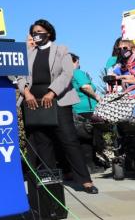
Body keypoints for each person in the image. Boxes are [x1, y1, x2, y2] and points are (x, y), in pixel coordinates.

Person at [16, 19, 98, 195]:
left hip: (57, 100)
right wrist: (27, 93)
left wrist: (51, 92)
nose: (36, 35)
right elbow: (20, 76)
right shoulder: (28, 54)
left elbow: (67, 73)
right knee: (42, 142)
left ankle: (85, 180)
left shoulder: (62, 51)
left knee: (68, 140)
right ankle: (50, 180)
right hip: (33, 102)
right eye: (33, 32)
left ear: (49, 33)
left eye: (39, 32)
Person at [70, 53, 105, 173]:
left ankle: (88, 164)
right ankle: (90, 164)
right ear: (75, 61)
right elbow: (85, 87)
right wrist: (97, 97)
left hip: (75, 109)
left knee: (83, 139)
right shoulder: (77, 72)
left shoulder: (65, 75)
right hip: (87, 110)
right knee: (91, 139)